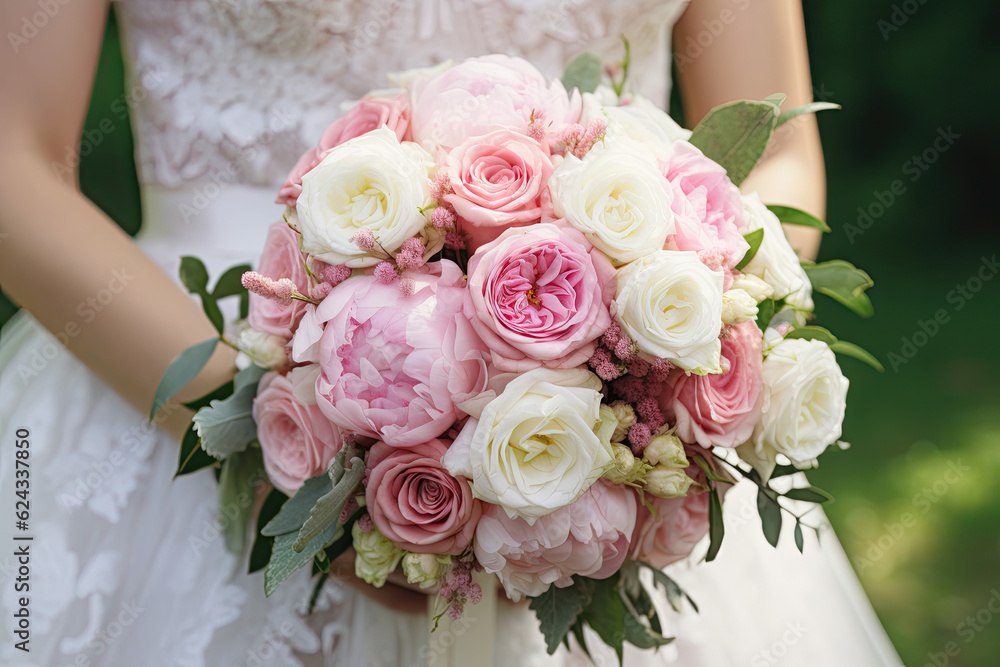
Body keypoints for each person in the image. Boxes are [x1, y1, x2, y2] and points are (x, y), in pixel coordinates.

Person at [0, 0, 901, 664]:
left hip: (615, 435)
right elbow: (14, 163)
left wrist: (657, 385)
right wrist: (283, 459)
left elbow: (775, 147)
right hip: (177, 386)